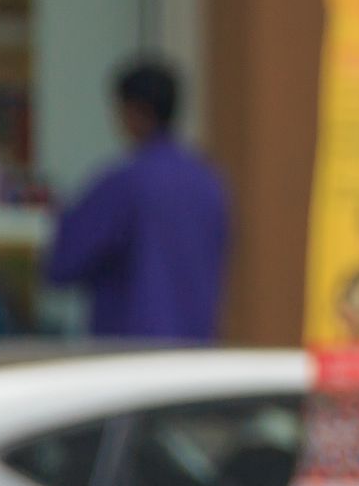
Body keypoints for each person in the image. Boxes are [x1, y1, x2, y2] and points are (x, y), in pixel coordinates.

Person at [43, 58, 230, 341]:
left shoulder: (126, 184)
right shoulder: (209, 184)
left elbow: (63, 262)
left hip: (131, 357)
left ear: (134, 111)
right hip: (196, 356)